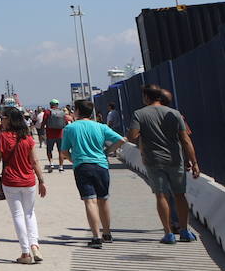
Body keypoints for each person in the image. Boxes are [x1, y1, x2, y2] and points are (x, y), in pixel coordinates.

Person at [124, 85, 199, 245]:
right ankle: (185, 230)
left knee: (161, 195)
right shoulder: (175, 113)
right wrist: (194, 162)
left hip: (153, 160)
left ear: (146, 97)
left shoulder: (140, 114)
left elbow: (131, 136)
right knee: (180, 195)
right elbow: (186, 139)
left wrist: (143, 133)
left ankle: (168, 233)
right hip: (175, 159)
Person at [59, 98, 125, 248]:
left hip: (82, 166)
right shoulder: (100, 127)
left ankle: (96, 237)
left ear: (77, 111)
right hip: (101, 165)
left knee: (90, 201)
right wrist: (107, 151)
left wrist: (74, 159)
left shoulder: (70, 128)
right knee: (104, 199)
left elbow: (64, 151)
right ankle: (107, 233)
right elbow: (121, 140)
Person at [0, 108, 46, 264]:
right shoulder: (27, 138)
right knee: (30, 213)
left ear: (10, 120)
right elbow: (35, 161)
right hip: (29, 181)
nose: (1, 120)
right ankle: (35, 245)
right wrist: (42, 181)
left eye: (3, 118)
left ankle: (25, 253)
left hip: (10, 181)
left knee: (18, 215)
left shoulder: (2, 137)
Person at [43, 100, 68, 171]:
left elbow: (44, 121)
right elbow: (65, 122)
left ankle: (51, 164)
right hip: (60, 134)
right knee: (60, 150)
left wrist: (42, 129)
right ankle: (61, 166)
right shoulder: (62, 112)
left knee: (49, 150)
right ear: (57, 104)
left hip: (50, 134)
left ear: (50, 104)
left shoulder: (47, 112)